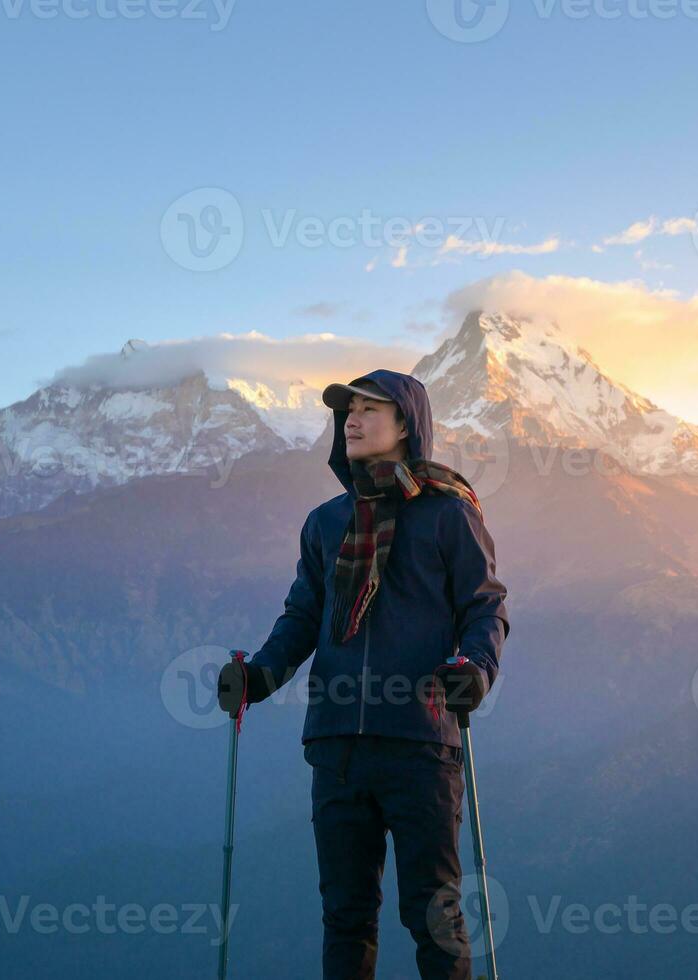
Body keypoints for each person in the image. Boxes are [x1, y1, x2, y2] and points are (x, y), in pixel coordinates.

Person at [218, 368, 509, 980]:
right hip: (335, 745)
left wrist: (476, 670)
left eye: (370, 408)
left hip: (420, 741)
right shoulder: (325, 522)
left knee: (433, 912)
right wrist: (260, 677)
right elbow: (304, 615)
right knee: (346, 915)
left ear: (407, 425)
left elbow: (485, 606)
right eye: (347, 409)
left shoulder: (447, 515)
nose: (351, 418)